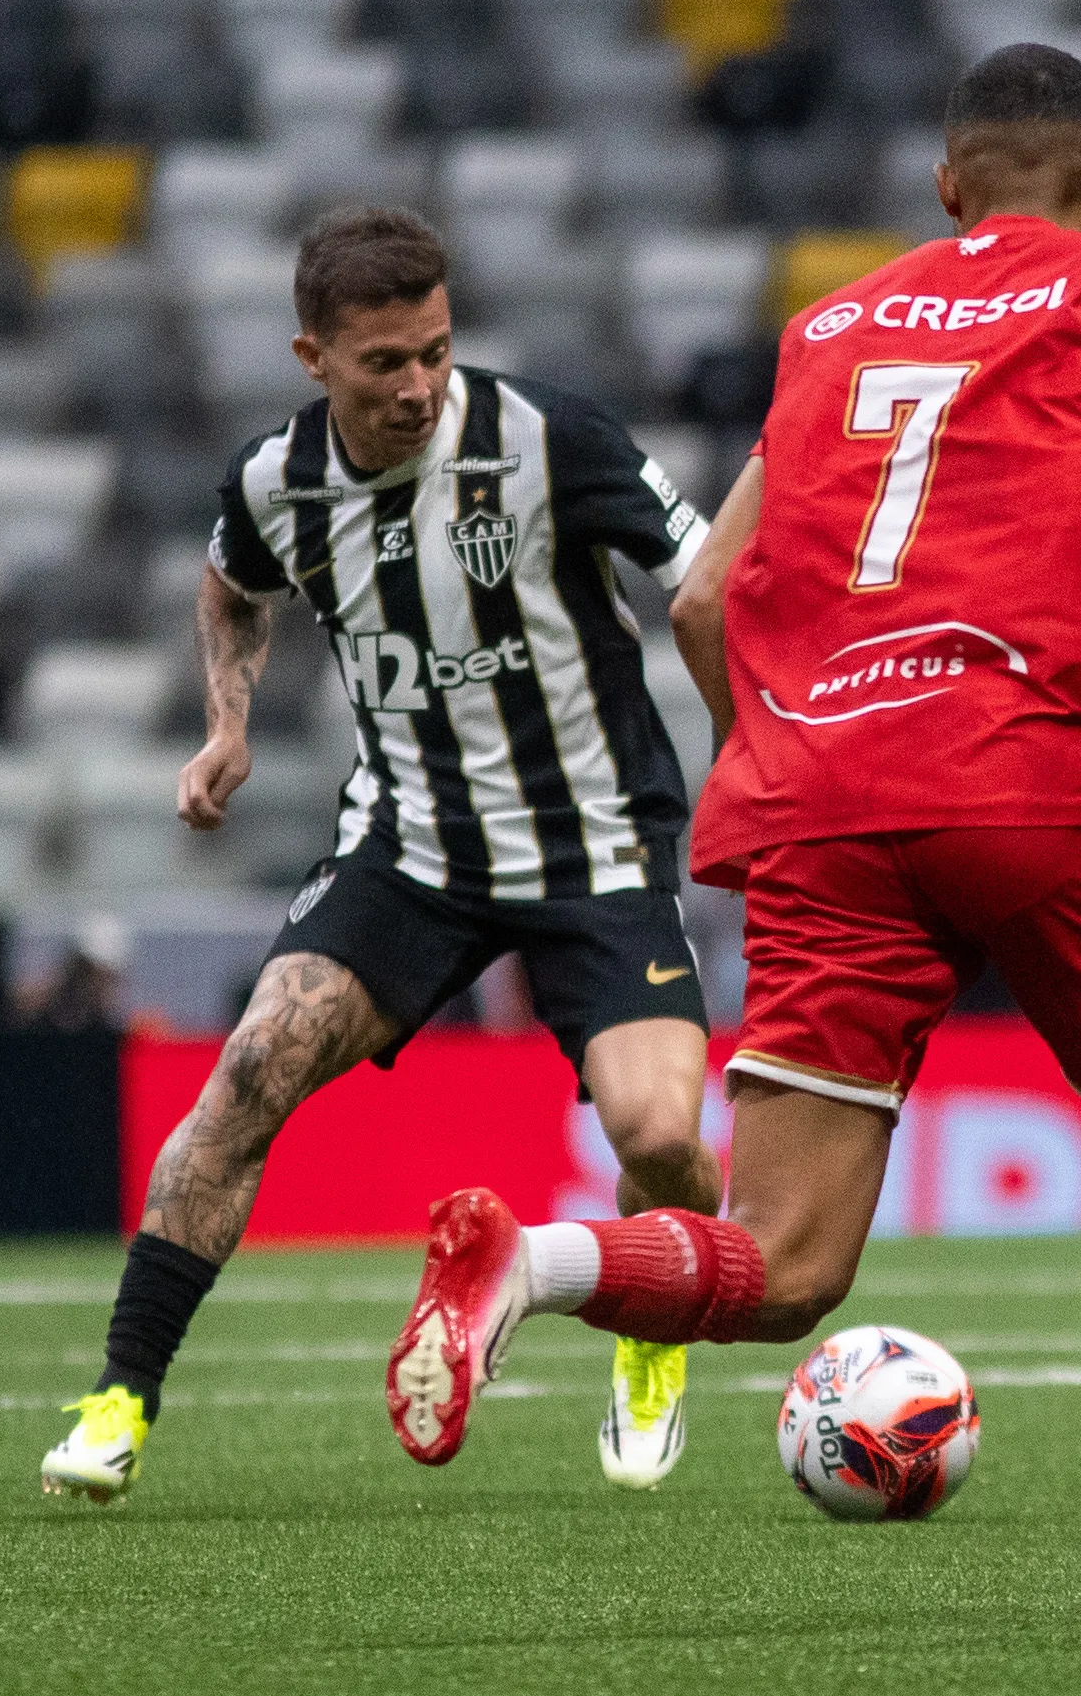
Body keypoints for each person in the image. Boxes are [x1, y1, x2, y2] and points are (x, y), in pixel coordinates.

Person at [379, 46, 1081, 1633]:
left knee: (780, 1263)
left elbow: (704, 592)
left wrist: (779, 755)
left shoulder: (828, 328)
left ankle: (538, 1264)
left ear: (944, 187)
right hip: (1024, 769)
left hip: (829, 792)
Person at [39, 208, 722, 1503]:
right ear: (314, 356)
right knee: (247, 1073)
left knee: (662, 1133)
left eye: (435, 352)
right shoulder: (273, 482)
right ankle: (121, 1394)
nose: (417, 387)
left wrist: (753, 749)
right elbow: (231, 584)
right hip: (413, 845)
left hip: (595, 845)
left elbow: (708, 573)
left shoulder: (547, 438)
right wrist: (225, 728)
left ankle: (647, 1344)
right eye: (383, 364)